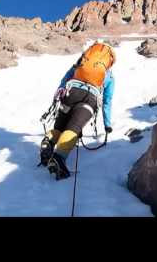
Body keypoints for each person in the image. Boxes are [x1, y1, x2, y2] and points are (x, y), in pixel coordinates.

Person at [40, 41, 116, 180]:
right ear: (109, 61)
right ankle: (59, 158)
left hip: (71, 92)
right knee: (73, 128)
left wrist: (61, 90)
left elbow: (66, 77)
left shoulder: (81, 62)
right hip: (89, 99)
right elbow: (107, 101)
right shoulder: (109, 76)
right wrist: (107, 124)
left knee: (60, 127)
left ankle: (48, 143)